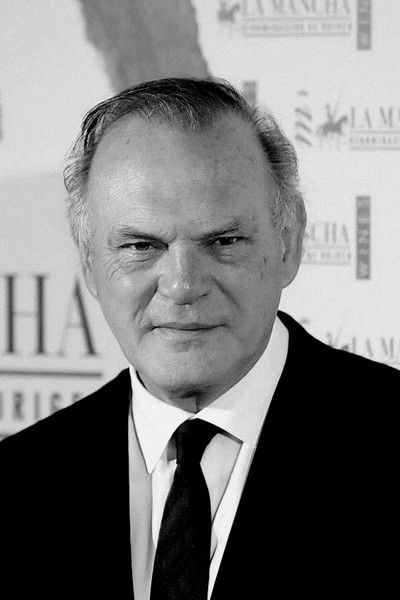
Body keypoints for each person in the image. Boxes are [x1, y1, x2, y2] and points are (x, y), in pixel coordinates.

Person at [0, 78, 397, 599]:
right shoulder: (16, 483)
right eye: (141, 246)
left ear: (289, 243)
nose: (183, 286)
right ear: (90, 264)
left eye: (224, 241)